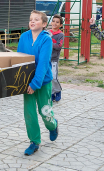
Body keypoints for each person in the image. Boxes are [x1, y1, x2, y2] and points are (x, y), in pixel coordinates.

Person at [17, 10, 59, 155]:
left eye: (36, 19)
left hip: (42, 82)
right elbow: (19, 59)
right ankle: (34, 141)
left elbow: (42, 64)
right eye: (30, 19)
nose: (32, 21)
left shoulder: (46, 39)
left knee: (45, 111)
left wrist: (35, 84)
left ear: (44, 23)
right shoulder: (24, 37)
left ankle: (53, 126)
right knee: (29, 113)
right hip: (26, 83)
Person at [49, 14, 64, 102]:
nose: (55, 23)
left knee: (54, 77)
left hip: (54, 59)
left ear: (60, 25)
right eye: (53, 21)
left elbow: (58, 46)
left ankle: (57, 91)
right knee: (48, 78)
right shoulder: (47, 32)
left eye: (57, 22)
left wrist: (49, 43)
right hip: (46, 59)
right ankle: (51, 93)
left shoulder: (60, 35)